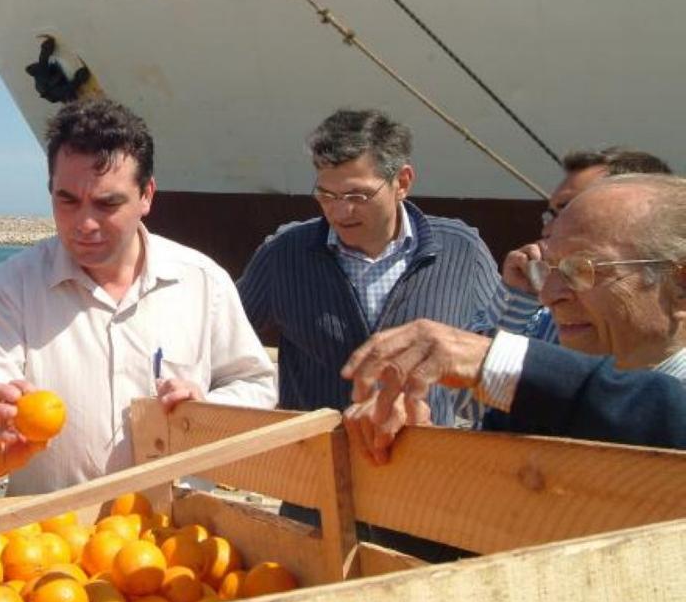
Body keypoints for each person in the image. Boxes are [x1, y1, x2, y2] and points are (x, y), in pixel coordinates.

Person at [0, 98, 277, 500]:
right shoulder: (8, 288)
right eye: (67, 200)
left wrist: (210, 411)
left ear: (147, 195)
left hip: (177, 545)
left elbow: (253, 384)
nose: (84, 224)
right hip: (52, 548)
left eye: (108, 203)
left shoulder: (203, 282)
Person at [343, 173, 686, 461]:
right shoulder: (535, 413)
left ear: (679, 282)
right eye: (547, 269)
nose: (550, 295)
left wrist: (495, 360)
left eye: (582, 269)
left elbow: (655, 412)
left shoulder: (557, 397)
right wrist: (413, 449)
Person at [238, 109, 500, 423]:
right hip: (318, 461)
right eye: (326, 195)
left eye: (357, 195)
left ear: (402, 182)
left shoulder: (462, 252)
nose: (340, 211)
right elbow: (223, 342)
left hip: (425, 460)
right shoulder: (283, 254)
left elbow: (499, 355)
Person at [495, 147, 672, 345]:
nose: (549, 230)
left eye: (572, 209)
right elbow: (481, 364)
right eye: (552, 214)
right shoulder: (553, 316)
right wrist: (518, 295)